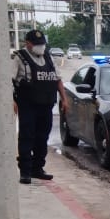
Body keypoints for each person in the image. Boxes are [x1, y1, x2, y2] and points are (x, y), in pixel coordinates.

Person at [12, 30, 67, 184]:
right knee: (27, 137)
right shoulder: (19, 58)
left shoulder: (48, 57)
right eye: (36, 44)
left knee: (42, 138)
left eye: (42, 44)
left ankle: (38, 168)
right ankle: (25, 172)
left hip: (46, 105)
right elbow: (9, 80)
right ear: (27, 44)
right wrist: (12, 100)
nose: (40, 47)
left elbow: (58, 80)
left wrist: (65, 99)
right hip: (28, 105)